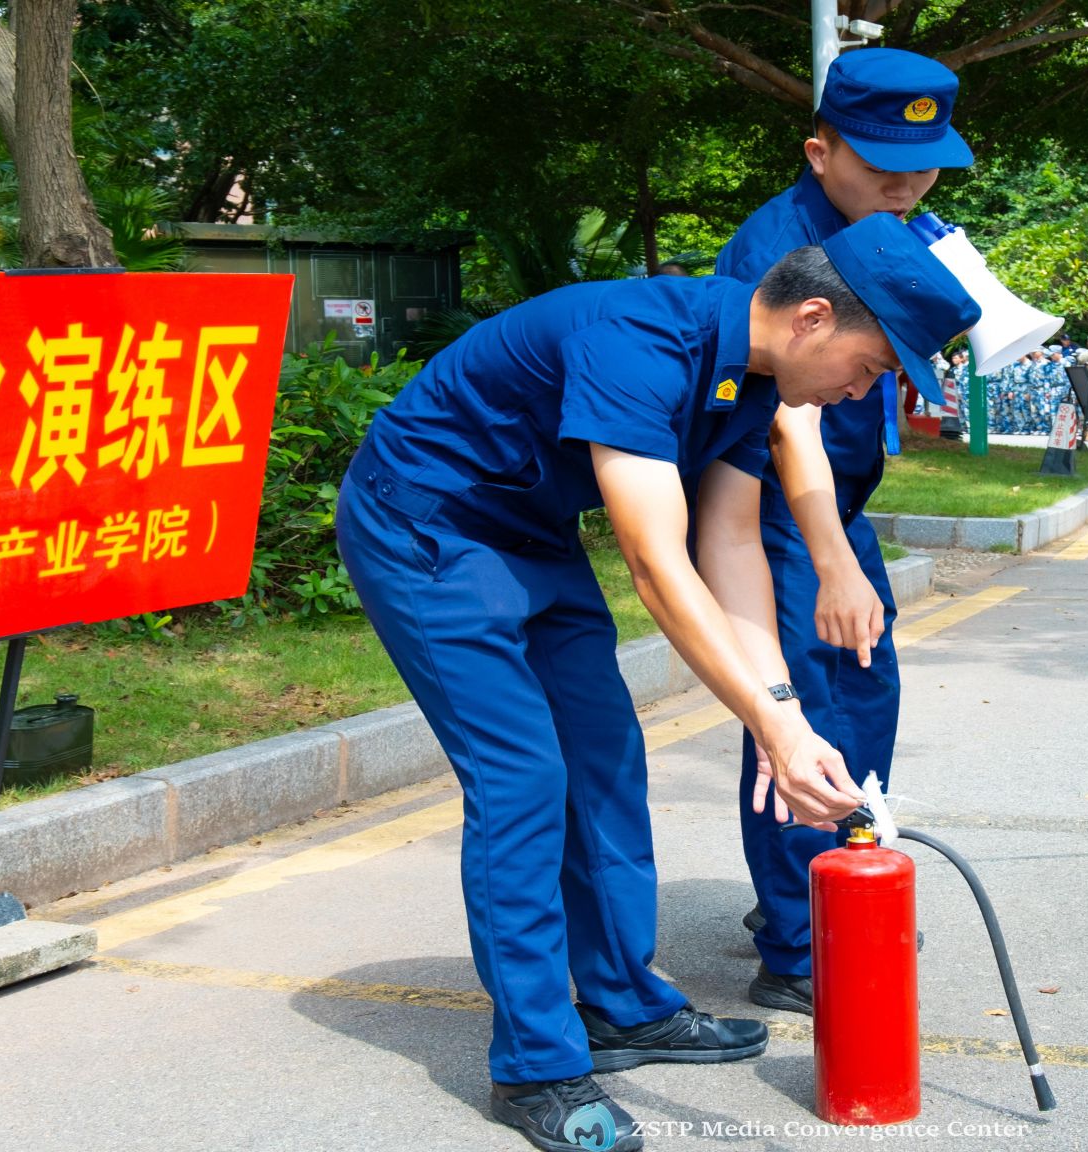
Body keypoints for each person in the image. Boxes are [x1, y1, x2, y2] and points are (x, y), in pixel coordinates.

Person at [336, 214, 980, 1152]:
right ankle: (536, 1067)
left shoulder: (753, 380)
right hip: (426, 526)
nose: (861, 391)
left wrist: (785, 713)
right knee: (522, 781)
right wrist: (768, 725)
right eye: (872, 366)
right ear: (811, 318)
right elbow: (655, 562)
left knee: (605, 756)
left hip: (530, 531)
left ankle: (623, 1004)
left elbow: (730, 547)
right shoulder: (638, 340)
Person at [711, 46, 972, 1019]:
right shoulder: (782, 249)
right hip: (770, 512)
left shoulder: (889, 227)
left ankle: (840, 880)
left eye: (925, 167)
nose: (906, 185)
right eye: (883, 166)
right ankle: (800, 939)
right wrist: (831, 565)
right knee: (806, 711)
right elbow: (789, 420)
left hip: (836, 510)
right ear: (818, 152)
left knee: (864, 696)